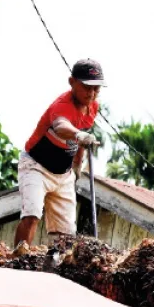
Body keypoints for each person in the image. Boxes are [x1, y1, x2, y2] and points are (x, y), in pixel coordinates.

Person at [14, 59, 103, 247]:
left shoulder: (93, 107)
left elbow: (80, 142)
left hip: (63, 174)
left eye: (97, 89)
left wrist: (77, 166)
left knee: (66, 234)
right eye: (87, 87)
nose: (92, 93)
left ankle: (55, 266)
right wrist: (78, 134)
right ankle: (16, 259)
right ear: (72, 82)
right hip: (36, 167)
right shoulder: (62, 105)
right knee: (32, 214)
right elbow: (61, 126)